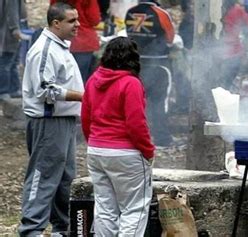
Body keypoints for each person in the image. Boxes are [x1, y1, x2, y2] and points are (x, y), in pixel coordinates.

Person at [19, 2, 84, 236]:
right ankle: (31, 229)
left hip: (64, 120)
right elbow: (45, 90)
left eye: (77, 19)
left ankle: (61, 227)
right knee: (43, 175)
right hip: (48, 122)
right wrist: (83, 97)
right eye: (71, 21)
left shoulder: (60, 46)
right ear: (56, 23)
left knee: (65, 177)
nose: (78, 24)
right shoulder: (44, 49)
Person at [81, 36, 155, 236]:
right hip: (126, 152)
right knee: (134, 209)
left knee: (105, 208)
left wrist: (95, 143)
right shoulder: (131, 83)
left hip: (97, 150)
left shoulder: (93, 80)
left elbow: (85, 118)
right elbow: (136, 123)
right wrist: (148, 150)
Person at [125, 0, 175, 146]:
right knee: (159, 102)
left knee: (136, 101)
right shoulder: (160, 13)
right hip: (158, 63)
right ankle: (162, 138)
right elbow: (170, 38)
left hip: (135, 62)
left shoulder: (130, 11)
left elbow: (129, 34)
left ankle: (133, 137)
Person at [51, 0, 101, 83]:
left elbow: (52, 16)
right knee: (81, 82)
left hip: (61, 39)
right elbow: (94, 19)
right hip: (83, 42)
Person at [220, 0, 248, 90]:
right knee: (227, 87)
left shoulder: (214, 12)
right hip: (234, 53)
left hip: (216, 55)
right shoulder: (237, 10)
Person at [0, 0, 22, 100]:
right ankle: (4, 91)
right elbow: (12, 11)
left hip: (8, 31)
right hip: (8, 32)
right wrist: (15, 28)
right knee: (7, 62)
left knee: (13, 62)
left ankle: (14, 89)